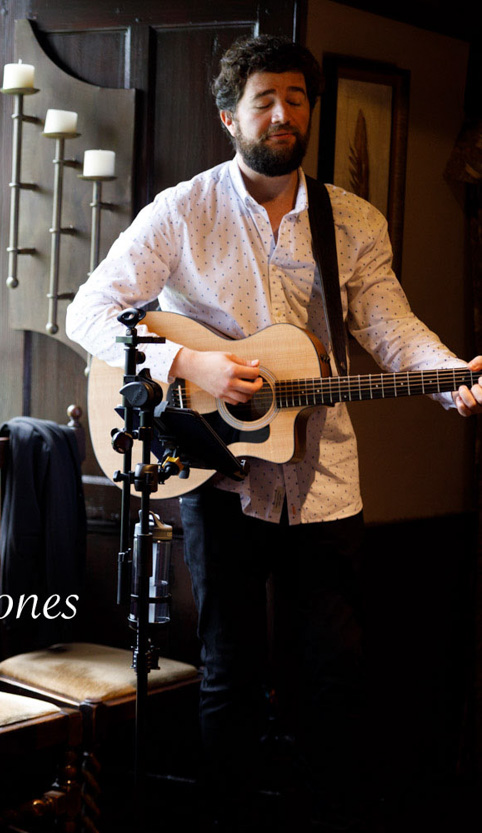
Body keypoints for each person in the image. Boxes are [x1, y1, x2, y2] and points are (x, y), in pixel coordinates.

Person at [65, 35, 482, 829]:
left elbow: (392, 327)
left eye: (295, 98)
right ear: (229, 116)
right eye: (265, 99)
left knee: (333, 675)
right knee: (228, 673)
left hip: (326, 486)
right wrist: (193, 362)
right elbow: (90, 309)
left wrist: (450, 374)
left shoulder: (352, 221)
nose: (283, 113)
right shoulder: (183, 211)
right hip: (220, 480)